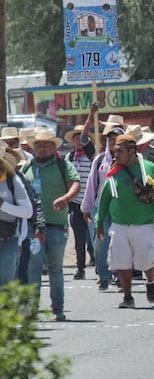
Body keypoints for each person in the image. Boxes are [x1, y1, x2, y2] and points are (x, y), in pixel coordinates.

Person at [96, 134, 154, 309]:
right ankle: (128, 296)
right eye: (115, 151)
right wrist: (99, 223)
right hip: (119, 225)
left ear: (132, 151)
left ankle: (150, 280)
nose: (116, 155)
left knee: (145, 259)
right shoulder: (113, 172)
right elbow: (104, 198)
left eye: (120, 151)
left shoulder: (149, 169)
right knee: (121, 261)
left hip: (144, 224)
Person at [22, 130, 81, 321]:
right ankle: (32, 310)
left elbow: (75, 184)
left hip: (56, 227)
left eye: (46, 144)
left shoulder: (64, 165)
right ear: (33, 147)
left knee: (55, 268)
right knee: (34, 267)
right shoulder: (26, 168)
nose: (41, 147)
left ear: (54, 147)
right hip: (33, 229)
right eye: (38, 144)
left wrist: (65, 198)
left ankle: (58, 309)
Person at [82, 121, 125, 291]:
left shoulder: (130, 161)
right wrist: (85, 208)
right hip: (101, 207)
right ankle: (103, 274)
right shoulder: (100, 160)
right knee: (100, 243)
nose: (114, 144)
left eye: (118, 140)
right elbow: (92, 185)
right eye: (111, 140)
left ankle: (121, 276)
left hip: (122, 208)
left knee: (120, 243)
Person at [65, 122, 97, 280]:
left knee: (95, 237)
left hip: (91, 204)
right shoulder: (69, 157)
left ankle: (99, 265)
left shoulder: (91, 154)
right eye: (76, 138)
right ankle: (80, 268)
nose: (79, 141)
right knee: (79, 240)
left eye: (81, 138)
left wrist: (91, 116)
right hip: (76, 204)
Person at [0, 145, 33, 286]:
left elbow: (27, 211)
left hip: (7, 239)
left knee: (6, 286)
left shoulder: (12, 181)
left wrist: (3, 206)